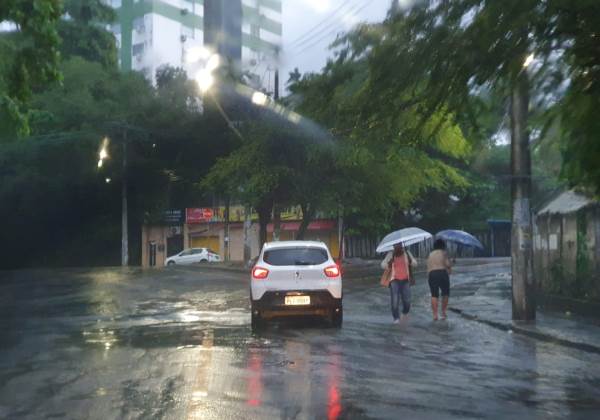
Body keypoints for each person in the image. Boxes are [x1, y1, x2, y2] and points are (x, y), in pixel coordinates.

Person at [381, 243, 417, 324]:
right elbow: (382, 265)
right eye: (395, 245)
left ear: (401, 245)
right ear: (393, 246)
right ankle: (396, 319)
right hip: (394, 281)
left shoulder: (407, 252)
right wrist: (388, 263)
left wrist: (411, 260)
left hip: (405, 281)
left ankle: (404, 313)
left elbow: (415, 264)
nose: (397, 246)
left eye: (399, 245)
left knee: (407, 302)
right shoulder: (391, 254)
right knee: (395, 301)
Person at [427, 239, 452, 321]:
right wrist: (451, 264)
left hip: (432, 274)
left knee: (434, 295)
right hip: (442, 273)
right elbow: (447, 264)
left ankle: (435, 314)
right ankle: (443, 312)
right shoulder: (443, 253)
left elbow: (428, 266)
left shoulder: (430, 254)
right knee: (445, 293)